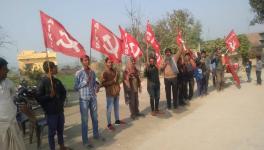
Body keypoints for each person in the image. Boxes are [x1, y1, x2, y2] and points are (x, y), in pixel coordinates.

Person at [36, 61, 70, 150]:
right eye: (55, 67)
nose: (56, 68)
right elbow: (38, 98)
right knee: (52, 133)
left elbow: (64, 92)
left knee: (60, 130)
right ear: (50, 69)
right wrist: (49, 96)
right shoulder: (42, 82)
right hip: (50, 113)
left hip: (59, 111)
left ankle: (62, 146)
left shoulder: (57, 81)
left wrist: (61, 101)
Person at [74, 55, 104, 148]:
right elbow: (75, 87)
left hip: (93, 98)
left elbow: (95, 83)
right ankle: (85, 141)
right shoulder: (78, 73)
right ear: (81, 61)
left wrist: (97, 87)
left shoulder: (92, 72)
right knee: (85, 120)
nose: (87, 62)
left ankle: (96, 134)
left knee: (95, 117)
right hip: (84, 99)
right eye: (85, 60)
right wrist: (84, 83)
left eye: (88, 60)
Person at [0, 57, 26, 150]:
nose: (7, 70)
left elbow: (13, 97)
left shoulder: (9, 83)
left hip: (13, 123)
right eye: (4, 68)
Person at [101, 57, 125, 131]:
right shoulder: (104, 72)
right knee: (109, 109)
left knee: (116, 108)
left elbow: (117, 81)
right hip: (110, 94)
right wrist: (112, 81)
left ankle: (117, 121)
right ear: (106, 63)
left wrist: (118, 85)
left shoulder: (114, 71)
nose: (110, 63)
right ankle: (109, 124)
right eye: (109, 62)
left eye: (111, 62)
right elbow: (103, 83)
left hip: (116, 92)